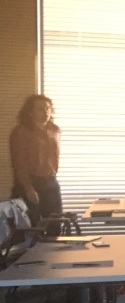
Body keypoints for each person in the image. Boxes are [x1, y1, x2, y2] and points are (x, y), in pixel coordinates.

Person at [9, 95, 63, 229]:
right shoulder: (21, 132)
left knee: (55, 223)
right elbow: (19, 162)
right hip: (30, 182)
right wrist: (28, 188)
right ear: (30, 112)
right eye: (40, 109)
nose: (45, 112)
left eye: (47, 108)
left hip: (50, 181)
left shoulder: (55, 130)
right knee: (31, 226)